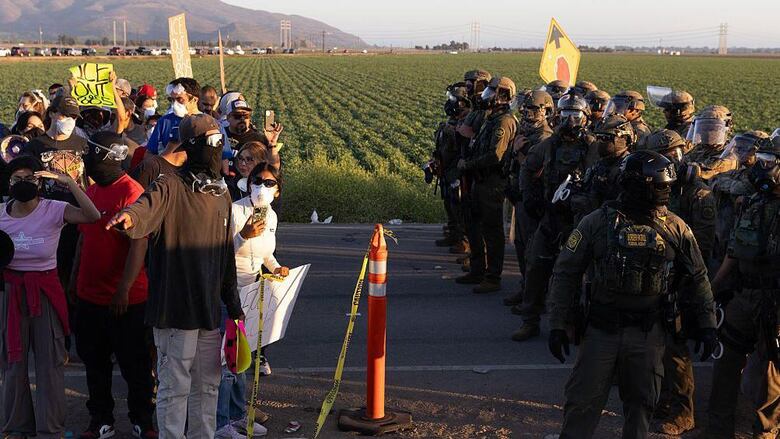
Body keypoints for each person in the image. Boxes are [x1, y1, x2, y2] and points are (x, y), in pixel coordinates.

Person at [547, 150, 718, 439]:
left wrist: (708, 324)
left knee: (641, 405)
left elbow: (698, 276)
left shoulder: (675, 227)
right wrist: (557, 323)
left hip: (649, 332)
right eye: (659, 186)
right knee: (582, 402)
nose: (665, 193)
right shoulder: (596, 223)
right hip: (602, 329)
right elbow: (566, 273)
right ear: (637, 185)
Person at [106, 114, 245, 439]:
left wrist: (232, 302)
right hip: (175, 309)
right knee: (174, 387)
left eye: (219, 142)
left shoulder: (220, 193)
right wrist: (129, 217)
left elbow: (225, 253)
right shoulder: (170, 184)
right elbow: (145, 207)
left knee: (208, 387)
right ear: (192, 146)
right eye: (210, 142)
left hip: (209, 309)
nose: (217, 149)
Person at [0, 155, 100, 439]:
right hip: (10, 294)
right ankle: (16, 427)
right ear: (8, 182)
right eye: (16, 179)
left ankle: (50, 430)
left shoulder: (54, 209)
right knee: (13, 363)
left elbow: (92, 216)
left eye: (29, 178)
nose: (23, 183)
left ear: (40, 182)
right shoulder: (0, 214)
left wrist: (70, 183)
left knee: (49, 365)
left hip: (44, 293)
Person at [71, 132, 156, 439]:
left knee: (135, 365)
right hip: (88, 295)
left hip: (127, 299)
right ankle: (101, 419)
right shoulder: (91, 191)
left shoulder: (132, 192)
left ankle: (143, 420)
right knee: (95, 363)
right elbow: (84, 237)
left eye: (93, 153)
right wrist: (74, 277)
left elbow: (139, 246)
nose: (87, 159)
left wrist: (123, 288)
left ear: (109, 156)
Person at [698, 140, 780, 439]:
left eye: (770, 161)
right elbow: (733, 252)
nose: (762, 167)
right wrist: (712, 289)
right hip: (745, 296)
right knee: (726, 359)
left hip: (775, 301)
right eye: (763, 159)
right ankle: (718, 430)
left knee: (770, 372)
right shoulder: (755, 202)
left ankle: (765, 433)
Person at [643, 129, 717, 435]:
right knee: (652, 347)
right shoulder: (659, 188)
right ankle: (660, 400)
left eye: (673, 154)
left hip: (682, 280)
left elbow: (700, 247)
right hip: (654, 277)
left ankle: (684, 412)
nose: (670, 162)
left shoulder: (698, 196)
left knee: (676, 352)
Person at [513, 94, 597, 341]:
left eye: (576, 115)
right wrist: (531, 198)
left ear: (584, 117)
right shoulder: (550, 144)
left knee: (570, 271)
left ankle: (568, 321)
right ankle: (530, 319)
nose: (570, 120)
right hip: (550, 217)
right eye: (566, 114)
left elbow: (597, 177)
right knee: (536, 265)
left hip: (578, 220)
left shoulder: (591, 145)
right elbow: (528, 167)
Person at [217, 162, 289, 438]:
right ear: (247, 184)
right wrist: (242, 235)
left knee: (241, 360)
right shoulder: (235, 211)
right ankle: (220, 422)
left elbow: (265, 254)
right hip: (227, 291)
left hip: (251, 291)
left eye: (269, 183)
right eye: (257, 181)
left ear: (278, 191)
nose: (262, 187)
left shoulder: (270, 216)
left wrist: (276, 268)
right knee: (226, 361)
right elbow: (220, 253)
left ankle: (237, 415)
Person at [455, 76, 517, 294]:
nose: (487, 97)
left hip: (492, 183)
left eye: (492, 93)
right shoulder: (491, 119)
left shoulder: (504, 122)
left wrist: (468, 164)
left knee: (492, 232)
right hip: (479, 180)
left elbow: (495, 156)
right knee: (475, 226)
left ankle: (493, 276)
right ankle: (477, 269)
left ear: (503, 96)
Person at [503, 90, 554, 309]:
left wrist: (518, 154)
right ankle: (526, 289)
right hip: (519, 195)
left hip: (533, 199)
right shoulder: (525, 132)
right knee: (522, 246)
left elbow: (538, 171)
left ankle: (536, 297)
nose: (527, 113)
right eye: (525, 108)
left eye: (534, 109)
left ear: (546, 111)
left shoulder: (545, 137)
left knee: (534, 251)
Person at [433, 82, 471, 252]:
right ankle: (454, 234)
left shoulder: (466, 122)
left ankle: (463, 240)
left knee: (459, 205)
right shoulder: (451, 122)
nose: (450, 102)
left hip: (457, 170)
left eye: (454, 99)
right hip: (447, 169)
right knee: (449, 203)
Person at [22, 95, 86, 158]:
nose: (70, 120)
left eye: (74, 117)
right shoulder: (34, 146)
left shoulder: (83, 145)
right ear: (51, 113)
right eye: (65, 115)